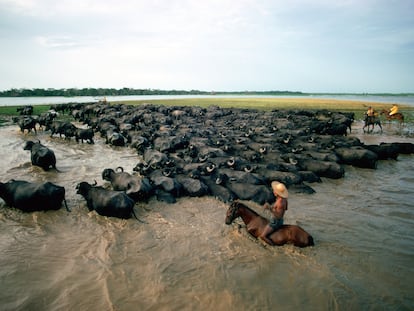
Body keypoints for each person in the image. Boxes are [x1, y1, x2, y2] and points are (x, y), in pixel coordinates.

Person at [259, 181, 288, 245]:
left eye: (274, 190)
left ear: (278, 193)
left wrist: (270, 208)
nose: (273, 191)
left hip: (275, 222)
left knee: (262, 236)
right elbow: (285, 209)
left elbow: (278, 216)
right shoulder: (284, 200)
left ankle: (272, 246)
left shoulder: (280, 202)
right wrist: (273, 207)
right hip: (279, 220)